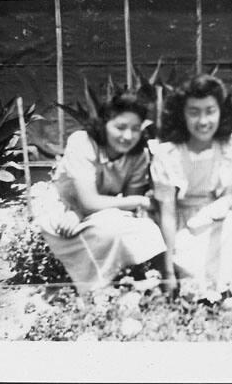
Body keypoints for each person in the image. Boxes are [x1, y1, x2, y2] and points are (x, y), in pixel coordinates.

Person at [39, 95, 166, 295]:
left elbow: (128, 207)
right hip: (66, 209)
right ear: (105, 123)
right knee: (107, 231)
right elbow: (88, 201)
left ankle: (154, 286)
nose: (127, 136)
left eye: (135, 129)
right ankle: (95, 291)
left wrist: (133, 204)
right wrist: (140, 200)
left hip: (103, 211)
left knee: (146, 228)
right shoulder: (83, 142)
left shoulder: (138, 154)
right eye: (120, 127)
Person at [150, 74, 232, 293]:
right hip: (181, 223)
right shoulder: (168, 154)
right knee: (192, 280)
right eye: (194, 112)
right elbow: (166, 213)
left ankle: (229, 293)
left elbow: (228, 194)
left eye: (210, 111)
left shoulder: (229, 145)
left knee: (230, 225)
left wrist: (222, 207)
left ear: (220, 112)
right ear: (182, 115)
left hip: (215, 220)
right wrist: (167, 273)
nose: (203, 121)